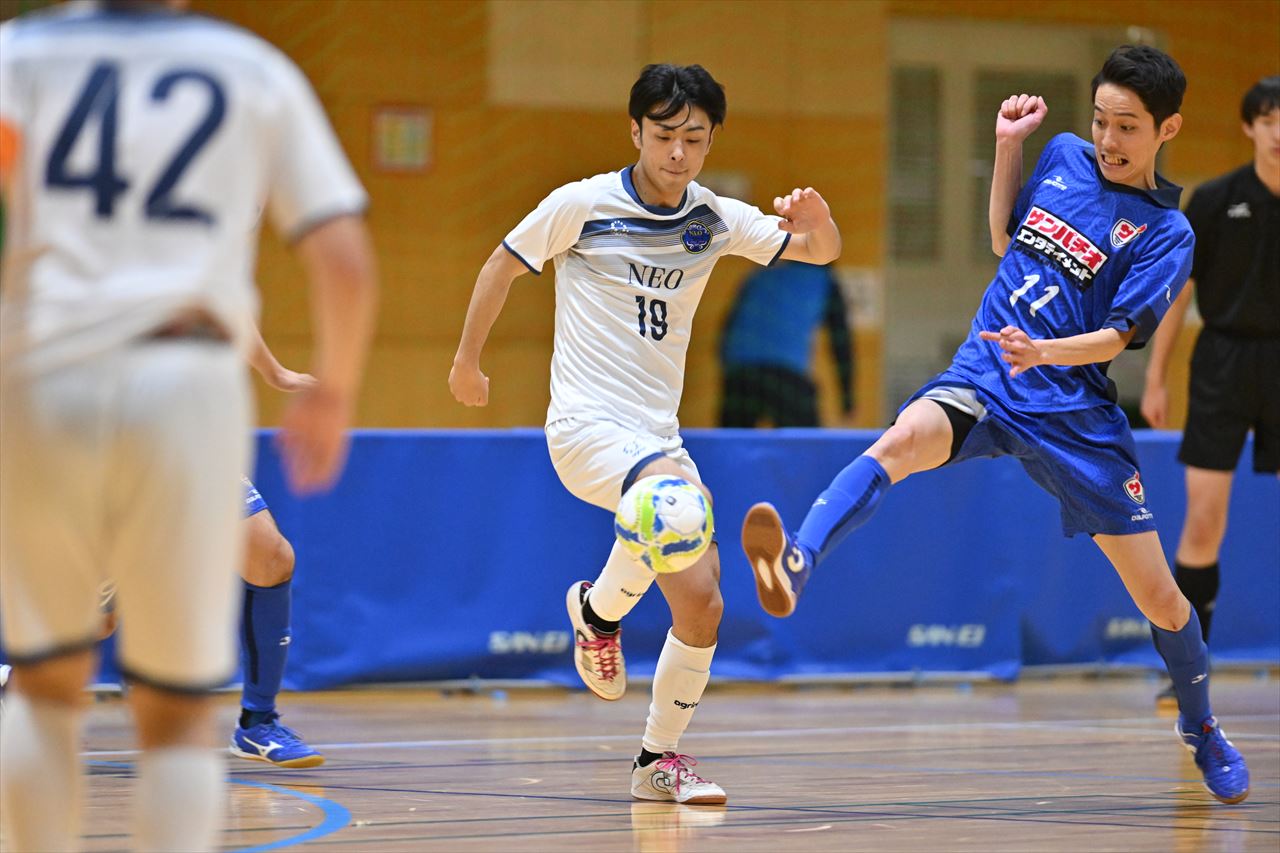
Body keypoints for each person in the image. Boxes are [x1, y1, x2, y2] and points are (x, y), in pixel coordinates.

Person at [740, 45, 1249, 805]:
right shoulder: (1064, 156)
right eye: (1101, 120)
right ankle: (798, 560)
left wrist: (1044, 351)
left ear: (1166, 129)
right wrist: (1008, 147)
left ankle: (1201, 726)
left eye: (1128, 127)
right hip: (986, 371)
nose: (1108, 139)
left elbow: (1117, 338)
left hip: (1073, 415)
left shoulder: (1166, 233)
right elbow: (1004, 238)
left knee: (1162, 600)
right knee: (898, 442)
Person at [0, 1, 378, 850]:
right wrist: (334, 390)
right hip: (181, 387)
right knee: (172, 713)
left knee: (46, 688)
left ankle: (259, 717)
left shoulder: (14, 56)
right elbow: (343, 256)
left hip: (45, 378)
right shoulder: (247, 69)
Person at [450, 63, 840, 804]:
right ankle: (601, 611)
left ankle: (652, 749)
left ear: (711, 140)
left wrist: (818, 220)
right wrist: (467, 361)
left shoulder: (712, 219)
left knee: (704, 601)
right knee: (674, 508)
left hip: (658, 438)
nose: (678, 152)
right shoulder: (582, 205)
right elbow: (500, 267)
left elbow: (821, 251)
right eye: (664, 135)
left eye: (694, 137)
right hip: (585, 430)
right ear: (634, 132)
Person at [1140, 76, 1280, 709]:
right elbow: (1177, 294)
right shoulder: (1217, 200)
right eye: (1268, 120)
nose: (1278, 133)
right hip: (1223, 362)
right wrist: (1155, 376)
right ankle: (1187, 671)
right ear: (1250, 126)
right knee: (1203, 518)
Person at [718, 260, 856, 428]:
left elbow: (729, 326)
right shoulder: (824, 281)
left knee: (734, 439)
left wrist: (728, 370)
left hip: (740, 370)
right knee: (805, 441)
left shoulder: (760, 273)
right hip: (787, 374)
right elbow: (840, 342)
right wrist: (847, 400)